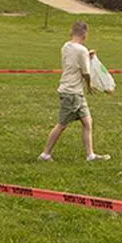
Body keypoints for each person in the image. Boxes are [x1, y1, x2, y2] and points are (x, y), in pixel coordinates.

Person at [38, 20, 109, 163]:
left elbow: (76, 60)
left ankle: (90, 155)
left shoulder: (66, 46)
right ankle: (45, 154)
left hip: (73, 92)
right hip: (72, 93)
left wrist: (87, 56)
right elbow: (86, 73)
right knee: (61, 124)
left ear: (72, 32)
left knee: (87, 122)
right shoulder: (81, 50)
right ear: (85, 35)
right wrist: (89, 86)